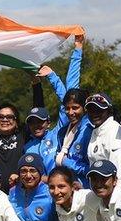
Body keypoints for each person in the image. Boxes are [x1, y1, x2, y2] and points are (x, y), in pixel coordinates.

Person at [0, 61, 46, 193]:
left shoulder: (22, 134)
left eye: (9, 117)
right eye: (0, 116)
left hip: (19, 194)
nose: (4, 119)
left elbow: (38, 111)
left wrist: (36, 82)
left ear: (16, 121)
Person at [25, 35, 84, 177]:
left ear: (48, 123)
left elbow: (69, 96)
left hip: (62, 191)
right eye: (32, 122)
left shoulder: (57, 134)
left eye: (40, 121)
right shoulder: (27, 147)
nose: (37, 125)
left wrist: (52, 76)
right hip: (41, 196)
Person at [85, 92, 121, 185]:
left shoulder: (114, 132)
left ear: (109, 110)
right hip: (100, 192)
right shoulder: (95, 132)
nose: (95, 113)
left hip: (116, 195)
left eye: (99, 110)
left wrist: (118, 198)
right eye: (91, 110)